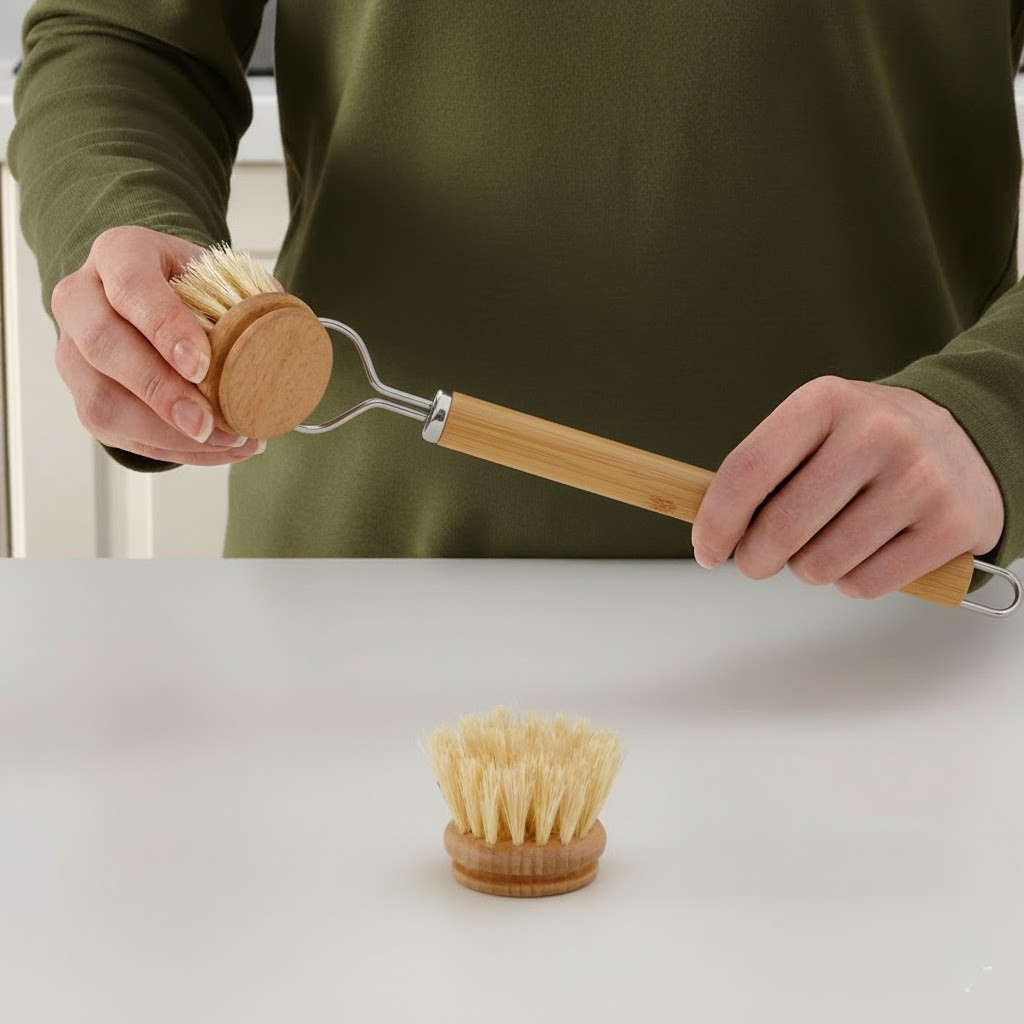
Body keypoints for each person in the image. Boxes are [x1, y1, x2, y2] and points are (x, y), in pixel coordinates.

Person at [9, 1, 1023, 598]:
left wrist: (993, 407)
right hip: (359, 605)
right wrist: (120, 241)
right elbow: (127, 37)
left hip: (883, 599)